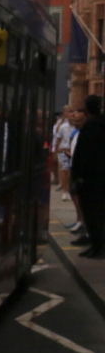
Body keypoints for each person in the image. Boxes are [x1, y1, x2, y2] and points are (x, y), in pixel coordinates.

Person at [71, 94, 105, 259]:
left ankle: (97, 246)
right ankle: (96, 245)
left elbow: (84, 154)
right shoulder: (99, 124)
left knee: (92, 214)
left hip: (90, 179)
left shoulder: (92, 126)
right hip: (97, 177)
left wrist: (78, 175)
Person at [54, 106, 74, 197]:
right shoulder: (63, 126)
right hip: (64, 150)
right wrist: (57, 149)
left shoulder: (76, 126)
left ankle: (69, 189)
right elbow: (58, 139)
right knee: (65, 170)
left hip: (73, 150)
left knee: (71, 172)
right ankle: (65, 191)